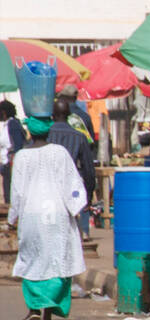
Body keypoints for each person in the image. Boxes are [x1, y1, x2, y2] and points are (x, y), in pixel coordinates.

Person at [7, 109, 87, 320]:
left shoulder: (22, 155)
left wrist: (11, 219)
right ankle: (47, 316)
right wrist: (77, 206)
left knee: (31, 260)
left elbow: (17, 192)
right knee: (56, 261)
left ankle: (33, 307)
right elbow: (72, 183)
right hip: (57, 215)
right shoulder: (60, 153)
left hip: (31, 214)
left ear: (29, 131)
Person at [48, 99, 96, 239]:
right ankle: (83, 233)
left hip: (49, 186)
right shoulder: (79, 136)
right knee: (70, 229)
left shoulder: (45, 135)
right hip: (71, 186)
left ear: (52, 115)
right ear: (69, 115)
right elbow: (89, 169)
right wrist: (89, 194)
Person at [1, 101, 27, 203]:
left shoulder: (13, 124)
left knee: (11, 197)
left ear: (3, 112)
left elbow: (18, 144)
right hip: (6, 164)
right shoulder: (7, 124)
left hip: (11, 165)